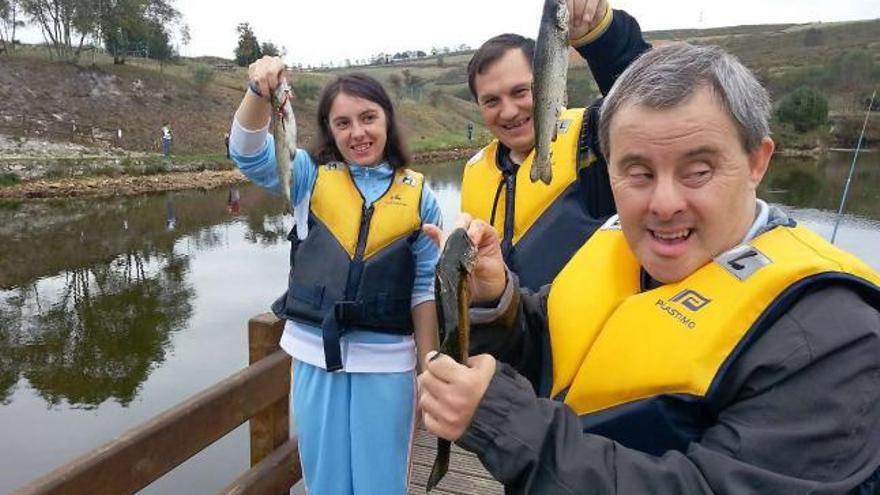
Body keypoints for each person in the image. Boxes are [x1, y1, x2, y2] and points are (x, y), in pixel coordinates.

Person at [419, 43, 880, 493]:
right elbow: (548, 340)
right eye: (638, 173)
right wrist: (494, 298)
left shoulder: (830, 335)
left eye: (697, 171)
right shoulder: (616, 244)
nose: (662, 205)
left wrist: (503, 421)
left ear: (757, 161)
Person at [229, 58, 440, 495]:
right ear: (329, 129)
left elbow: (423, 292)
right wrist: (257, 92)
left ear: (387, 120)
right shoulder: (306, 178)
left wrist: (429, 370)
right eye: (342, 123)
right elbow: (247, 153)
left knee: (382, 482)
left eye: (368, 118)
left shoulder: (421, 195)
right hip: (313, 359)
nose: (357, 133)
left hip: (388, 366)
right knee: (324, 482)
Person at [460, 0, 650, 290]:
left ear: (550, 77)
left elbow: (647, 96)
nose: (509, 111)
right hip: (508, 329)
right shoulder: (475, 172)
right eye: (491, 101)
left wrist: (603, 35)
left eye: (521, 91)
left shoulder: (594, 136)